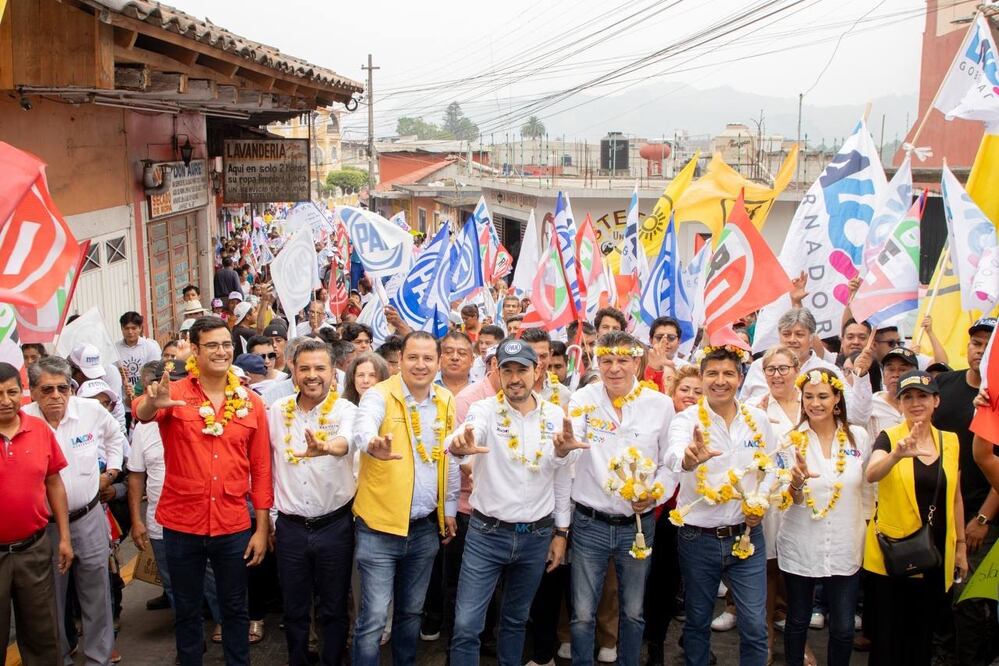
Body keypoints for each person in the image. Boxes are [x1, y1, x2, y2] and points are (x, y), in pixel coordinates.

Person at [133, 316, 272, 666]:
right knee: (187, 610)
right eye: (211, 345)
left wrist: (261, 527)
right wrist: (152, 402)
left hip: (232, 524)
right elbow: (143, 413)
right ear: (195, 350)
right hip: (182, 524)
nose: (221, 351)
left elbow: (261, 469)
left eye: (226, 344)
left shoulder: (251, 402)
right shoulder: (174, 395)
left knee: (235, 609)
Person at [446, 339, 572, 665]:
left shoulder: (555, 415)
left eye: (522, 370)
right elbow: (465, 436)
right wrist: (460, 445)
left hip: (536, 537)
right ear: (496, 372)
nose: (514, 378)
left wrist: (561, 533)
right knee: (466, 625)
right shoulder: (485, 410)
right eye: (507, 370)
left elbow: (560, 479)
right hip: (486, 535)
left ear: (537, 370)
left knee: (516, 621)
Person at [566, 331, 677, 666]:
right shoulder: (583, 399)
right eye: (606, 360)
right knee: (583, 613)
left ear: (637, 362)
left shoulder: (660, 405)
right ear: (597, 362)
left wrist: (655, 494)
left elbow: (669, 464)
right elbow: (569, 450)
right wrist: (562, 449)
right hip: (589, 523)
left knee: (633, 611)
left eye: (622, 360)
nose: (614, 368)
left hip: (638, 525)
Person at [350, 331, 460, 666]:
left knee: (411, 613)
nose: (420, 365)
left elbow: (449, 458)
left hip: (425, 529)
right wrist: (371, 443)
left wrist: (450, 509)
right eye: (413, 357)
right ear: (400, 359)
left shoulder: (444, 400)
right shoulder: (380, 395)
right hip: (379, 530)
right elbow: (362, 426)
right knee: (372, 620)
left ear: (438, 362)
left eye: (428, 358)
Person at [667, 344, 779, 666]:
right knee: (698, 622)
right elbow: (673, 456)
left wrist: (760, 501)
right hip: (697, 538)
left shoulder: (757, 419)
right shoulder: (687, 420)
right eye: (712, 373)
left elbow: (772, 466)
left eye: (728, 373)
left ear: (740, 377)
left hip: (747, 536)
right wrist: (689, 459)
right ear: (701, 378)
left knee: (755, 626)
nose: (720, 380)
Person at [24, 356, 126, 666]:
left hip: (89, 516)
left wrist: (111, 472)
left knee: (96, 592)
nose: (56, 396)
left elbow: (115, 438)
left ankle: (99, 658)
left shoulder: (91, 411)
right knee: (51, 597)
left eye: (63, 388)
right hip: (46, 527)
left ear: (71, 388)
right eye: (47, 390)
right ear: (32, 391)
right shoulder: (23, 420)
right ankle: (60, 657)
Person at [863, 370, 968, 666]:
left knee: (922, 637)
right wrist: (896, 455)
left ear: (936, 400)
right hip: (895, 554)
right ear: (899, 404)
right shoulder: (890, 438)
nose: (915, 403)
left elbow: (956, 496)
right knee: (888, 639)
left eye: (922, 396)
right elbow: (872, 474)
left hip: (935, 553)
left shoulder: (951, 441)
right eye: (907, 397)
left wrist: (960, 546)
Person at [269, 339, 358, 666]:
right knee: (293, 608)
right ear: (292, 369)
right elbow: (266, 465)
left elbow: (346, 441)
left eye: (320, 368)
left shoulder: (346, 409)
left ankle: (333, 659)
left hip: (335, 526)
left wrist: (328, 447)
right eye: (304, 368)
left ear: (333, 372)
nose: (312, 375)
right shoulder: (277, 412)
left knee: (333, 607)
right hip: (290, 528)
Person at [780, 369, 872, 666]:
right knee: (797, 619)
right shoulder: (790, 441)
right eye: (808, 397)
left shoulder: (858, 436)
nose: (815, 403)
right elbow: (785, 499)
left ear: (836, 399)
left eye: (822, 396)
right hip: (801, 540)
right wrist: (796, 482)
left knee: (844, 627)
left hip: (846, 541)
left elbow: (868, 487)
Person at [128, 362, 222, 633]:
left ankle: (222, 625)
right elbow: (136, 476)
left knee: (213, 580)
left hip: (204, 520)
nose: (173, 390)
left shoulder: (208, 417)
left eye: (181, 381)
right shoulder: (144, 427)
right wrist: (136, 520)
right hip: (161, 524)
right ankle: (190, 641)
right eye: (166, 384)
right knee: (175, 588)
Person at [932, 317, 997, 665]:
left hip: (980, 519)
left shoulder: (998, 398)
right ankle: (944, 653)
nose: (981, 350)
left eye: (989, 345)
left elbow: (992, 462)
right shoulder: (944, 385)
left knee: (969, 598)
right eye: (976, 343)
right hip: (939, 512)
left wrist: (983, 517)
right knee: (941, 593)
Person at [0, 361, 73, 666]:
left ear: (23, 393)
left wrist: (65, 539)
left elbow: (54, 483)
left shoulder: (39, 429)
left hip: (34, 549)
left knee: (43, 637)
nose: (5, 400)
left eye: (12, 392)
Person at [644, 365, 702, 666]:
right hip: (662, 516)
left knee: (691, 585)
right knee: (659, 584)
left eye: (698, 391)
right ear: (673, 392)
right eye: (685, 390)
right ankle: (654, 643)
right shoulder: (661, 423)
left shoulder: (711, 424)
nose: (691, 396)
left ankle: (691, 642)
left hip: (698, 517)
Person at [115, 311, 162, 402]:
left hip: (145, 400)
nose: (130, 332)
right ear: (121, 328)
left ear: (140, 328)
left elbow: (156, 373)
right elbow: (111, 374)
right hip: (123, 402)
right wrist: (118, 373)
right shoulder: (115, 349)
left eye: (134, 328)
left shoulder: (150, 347)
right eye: (126, 328)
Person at [521, 328, 571, 408]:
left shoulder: (564, 394)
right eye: (532, 356)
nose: (538, 362)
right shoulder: (510, 389)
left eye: (543, 356)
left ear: (550, 355)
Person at [645, 316, 688, 393]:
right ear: (650, 340)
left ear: (679, 341)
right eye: (659, 337)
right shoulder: (640, 364)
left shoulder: (687, 369)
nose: (665, 341)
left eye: (671, 337)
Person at [438, 330, 474, 396]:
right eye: (448, 352)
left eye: (462, 353)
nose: (455, 357)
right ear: (439, 357)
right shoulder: (427, 385)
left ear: (472, 360)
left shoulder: (482, 388)